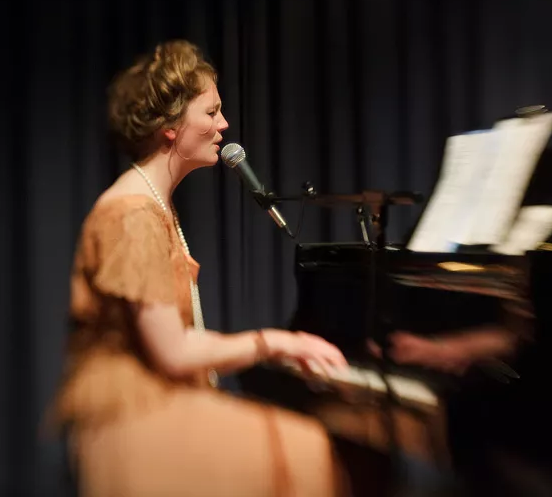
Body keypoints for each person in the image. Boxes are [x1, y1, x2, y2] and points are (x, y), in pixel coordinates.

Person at [50, 40, 351, 496]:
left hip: (158, 398)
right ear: (170, 127)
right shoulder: (131, 214)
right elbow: (173, 353)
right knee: (307, 449)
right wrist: (275, 343)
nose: (224, 125)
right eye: (211, 112)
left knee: (309, 443)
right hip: (129, 413)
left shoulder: (154, 205)